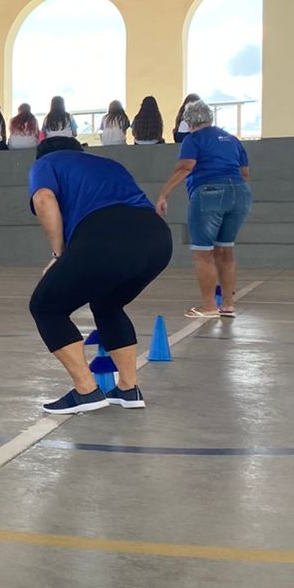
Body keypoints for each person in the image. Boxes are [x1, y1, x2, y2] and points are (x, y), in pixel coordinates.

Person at [27, 136, 173, 413]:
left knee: (46, 307)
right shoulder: (108, 163)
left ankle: (86, 390)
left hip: (106, 235)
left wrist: (58, 255)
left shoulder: (47, 163)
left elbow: (43, 198)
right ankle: (128, 388)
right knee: (108, 305)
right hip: (158, 239)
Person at [155, 100, 252, 319]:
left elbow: (185, 167)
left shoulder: (194, 139)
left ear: (188, 122)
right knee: (225, 250)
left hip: (208, 193)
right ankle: (228, 305)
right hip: (240, 193)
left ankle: (209, 307)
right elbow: (244, 173)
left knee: (203, 252)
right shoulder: (232, 139)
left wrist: (164, 194)